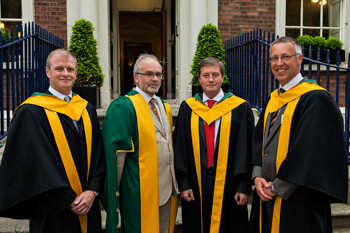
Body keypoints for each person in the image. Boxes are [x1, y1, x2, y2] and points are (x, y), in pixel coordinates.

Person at [249, 37, 348, 233]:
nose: (279, 63)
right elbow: (259, 139)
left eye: (285, 57)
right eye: (274, 58)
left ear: (300, 58)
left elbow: (309, 153)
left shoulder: (316, 99)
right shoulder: (274, 99)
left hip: (299, 199)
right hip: (266, 195)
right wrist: (257, 176)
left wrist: (277, 187)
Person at [0, 49, 105, 233]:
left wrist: (92, 191)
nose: (65, 73)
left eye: (70, 69)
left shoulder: (86, 108)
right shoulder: (31, 112)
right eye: (59, 68)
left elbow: (98, 153)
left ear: (76, 73)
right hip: (52, 208)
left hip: (88, 205)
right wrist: (67, 198)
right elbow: (36, 163)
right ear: (48, 72)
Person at [174, 57, 254, 233]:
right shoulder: (187, 108)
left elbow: (246, 150)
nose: (211, 79)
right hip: (195, 181)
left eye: (215, 75)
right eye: (206, 75)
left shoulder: (240, 108)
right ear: (199, 79)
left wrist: (243, 186)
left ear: (223, 78)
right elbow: (180, 147)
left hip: (229, 183)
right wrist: (184, 183)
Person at [102, 53, 178, 233]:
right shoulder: (124, 107)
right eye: (149, 74)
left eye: (158, 74)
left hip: (165, 191)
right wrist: (116, 197)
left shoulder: (163, 105)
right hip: (139, 194)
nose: (155, 79)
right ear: (136, 77)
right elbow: (117, 159)